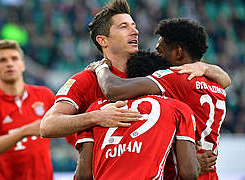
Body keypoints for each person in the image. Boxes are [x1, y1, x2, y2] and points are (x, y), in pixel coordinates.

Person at [92, 18, 228, 180]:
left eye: (161, 52)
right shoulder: (217, 85)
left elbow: (114, 90)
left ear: (178, 52)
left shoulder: (174, 77)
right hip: (210, 174)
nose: (157, 57)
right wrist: (206, 67)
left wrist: (101, 67)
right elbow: (226, 79)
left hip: (184, 171)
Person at [0, 40, 54, 180]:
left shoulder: (44, 95)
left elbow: (72, 135)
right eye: (2, 60)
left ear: (22, 65)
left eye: (14, 58)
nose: (9, 63)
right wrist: (25, 131)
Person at [76, 95, 200, 180]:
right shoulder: (177, 107)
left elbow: (83, 175)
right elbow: (189, 173)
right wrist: (196, 164)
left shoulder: (96, 108)